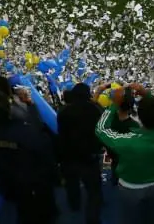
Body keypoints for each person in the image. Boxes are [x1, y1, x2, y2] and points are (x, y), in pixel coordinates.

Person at [95, 86, 154, 224]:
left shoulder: (126, 141)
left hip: (130, 188)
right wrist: (147, 94)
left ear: (140, 116)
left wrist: (115, 104)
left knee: (131, 219)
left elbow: (101, 129)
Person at [0, 90, 58, 224]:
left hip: (8, 177)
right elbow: (41, 143)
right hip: (32, 177)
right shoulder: (21, 130)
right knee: (43, 209)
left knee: (22, 207)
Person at [57, 82, 104, 224]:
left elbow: (61, 134)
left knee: (72, 185)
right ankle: (92, 219)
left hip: (68, 157)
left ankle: (74, 205)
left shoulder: (63, 111)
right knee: (93, 192)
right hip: (89, 158)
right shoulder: (95, 110)